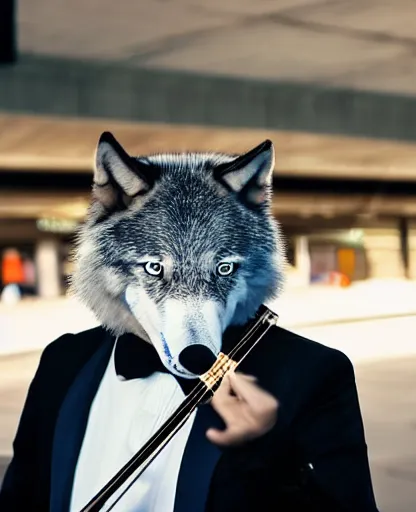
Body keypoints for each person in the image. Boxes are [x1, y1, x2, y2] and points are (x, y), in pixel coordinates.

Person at [0, 133, 378, 511]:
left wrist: (261, 452)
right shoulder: (62, 362)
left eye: (224, 268)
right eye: (154, 269)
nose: (196, 332)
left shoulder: (311, 375)